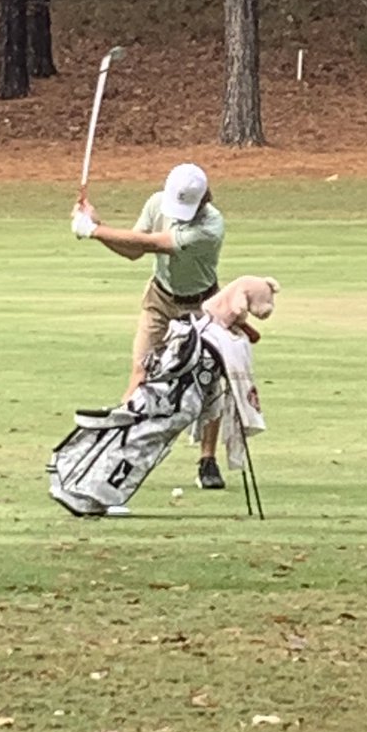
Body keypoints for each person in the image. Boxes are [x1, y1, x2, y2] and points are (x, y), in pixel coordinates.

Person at [71, 162, 227, 490]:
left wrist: (94, 230)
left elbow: (155, 244)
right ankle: (113, 453)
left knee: (209, 383)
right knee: (140, 373)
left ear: (204, 198)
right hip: (160, 300)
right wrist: (97, 227)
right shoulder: (158, 203)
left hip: (202, 306)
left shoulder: (211, 226)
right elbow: (134, 250)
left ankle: (207, 459)